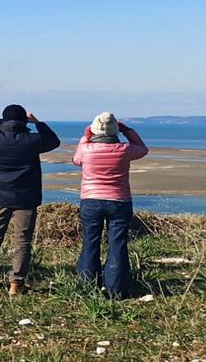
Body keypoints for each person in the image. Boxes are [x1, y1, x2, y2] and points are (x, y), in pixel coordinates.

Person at [0, 105, 60, 294]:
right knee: (22, 241)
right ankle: (16, 283)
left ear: (4, 120)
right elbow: (54, 141)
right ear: (24, 120)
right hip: (26, 198)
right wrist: (38, 123)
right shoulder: (31, 140)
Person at [73, 112, 148, 299]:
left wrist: (86, 135)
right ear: (116, 130)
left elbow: (76, 160)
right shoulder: (124, 150)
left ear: (94, 130)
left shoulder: (86, 149)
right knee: (118, 245)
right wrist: (127, 130)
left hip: (90, 200)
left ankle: (88, 286)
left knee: (90, 243)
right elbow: (142, 148)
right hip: (119, 201)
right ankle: (117, 290)